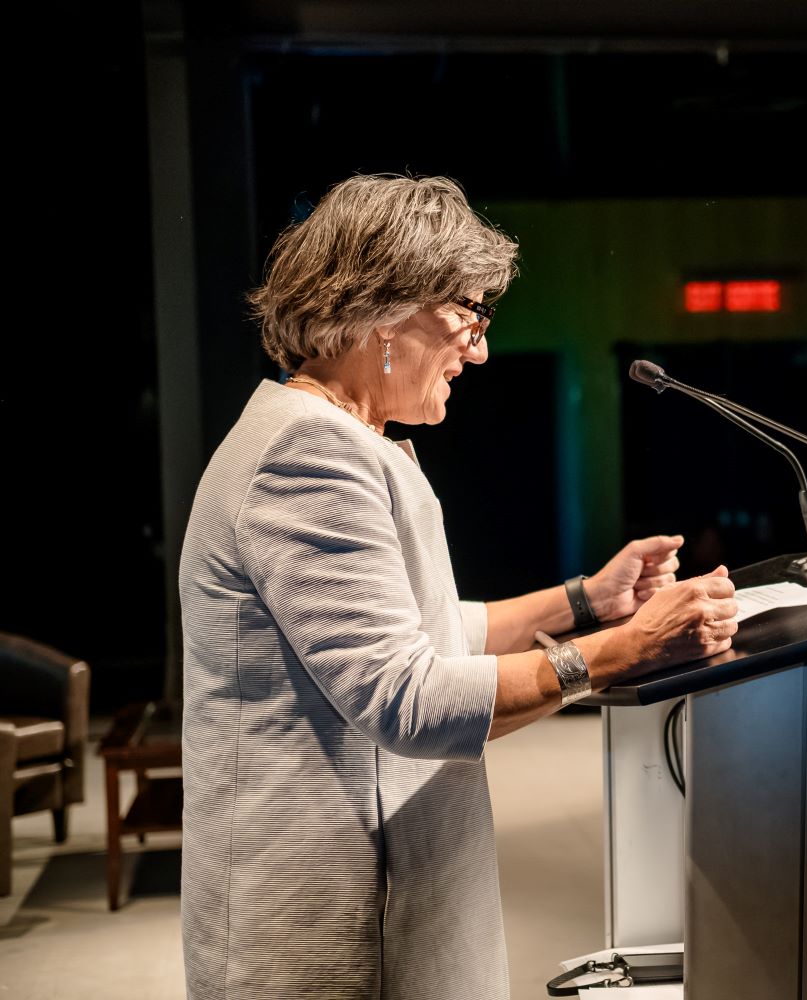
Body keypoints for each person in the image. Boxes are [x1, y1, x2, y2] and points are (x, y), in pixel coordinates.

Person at [178, 175, 739, 999]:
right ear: (381, 306)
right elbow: (404, 698)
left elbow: (434, 630)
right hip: (334, 920)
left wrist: (587, 600)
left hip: (382, 886)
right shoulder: (308, 457)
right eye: (466, 314)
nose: (478, 348)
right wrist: (618, 652)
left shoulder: (349, 439)